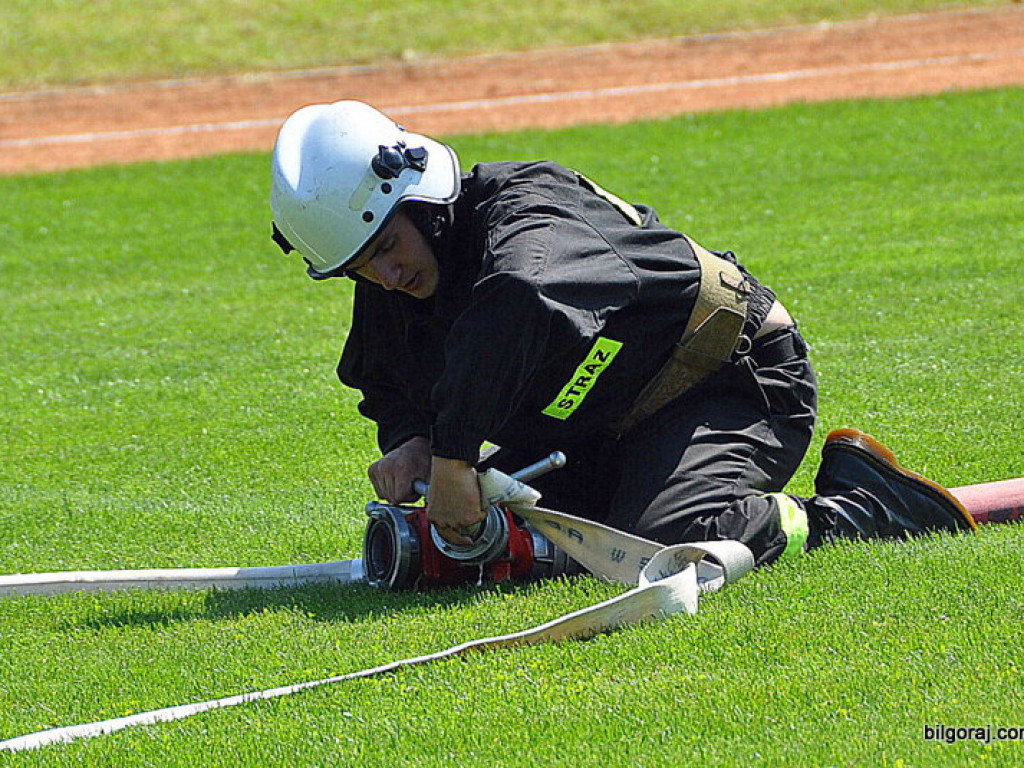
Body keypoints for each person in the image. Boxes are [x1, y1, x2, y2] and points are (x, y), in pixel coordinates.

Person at [269, 100, 975, 567]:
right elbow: (388, 376)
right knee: (523, 549)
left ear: (422, 202)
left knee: (664, 546)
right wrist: (409, 441)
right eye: (362, 269)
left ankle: (854, 510)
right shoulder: (394, 275)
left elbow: (521, 297)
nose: (387, 276)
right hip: (597, 430)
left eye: (389, 247)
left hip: (726, 379)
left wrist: (453, 460)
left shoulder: (526, 212)